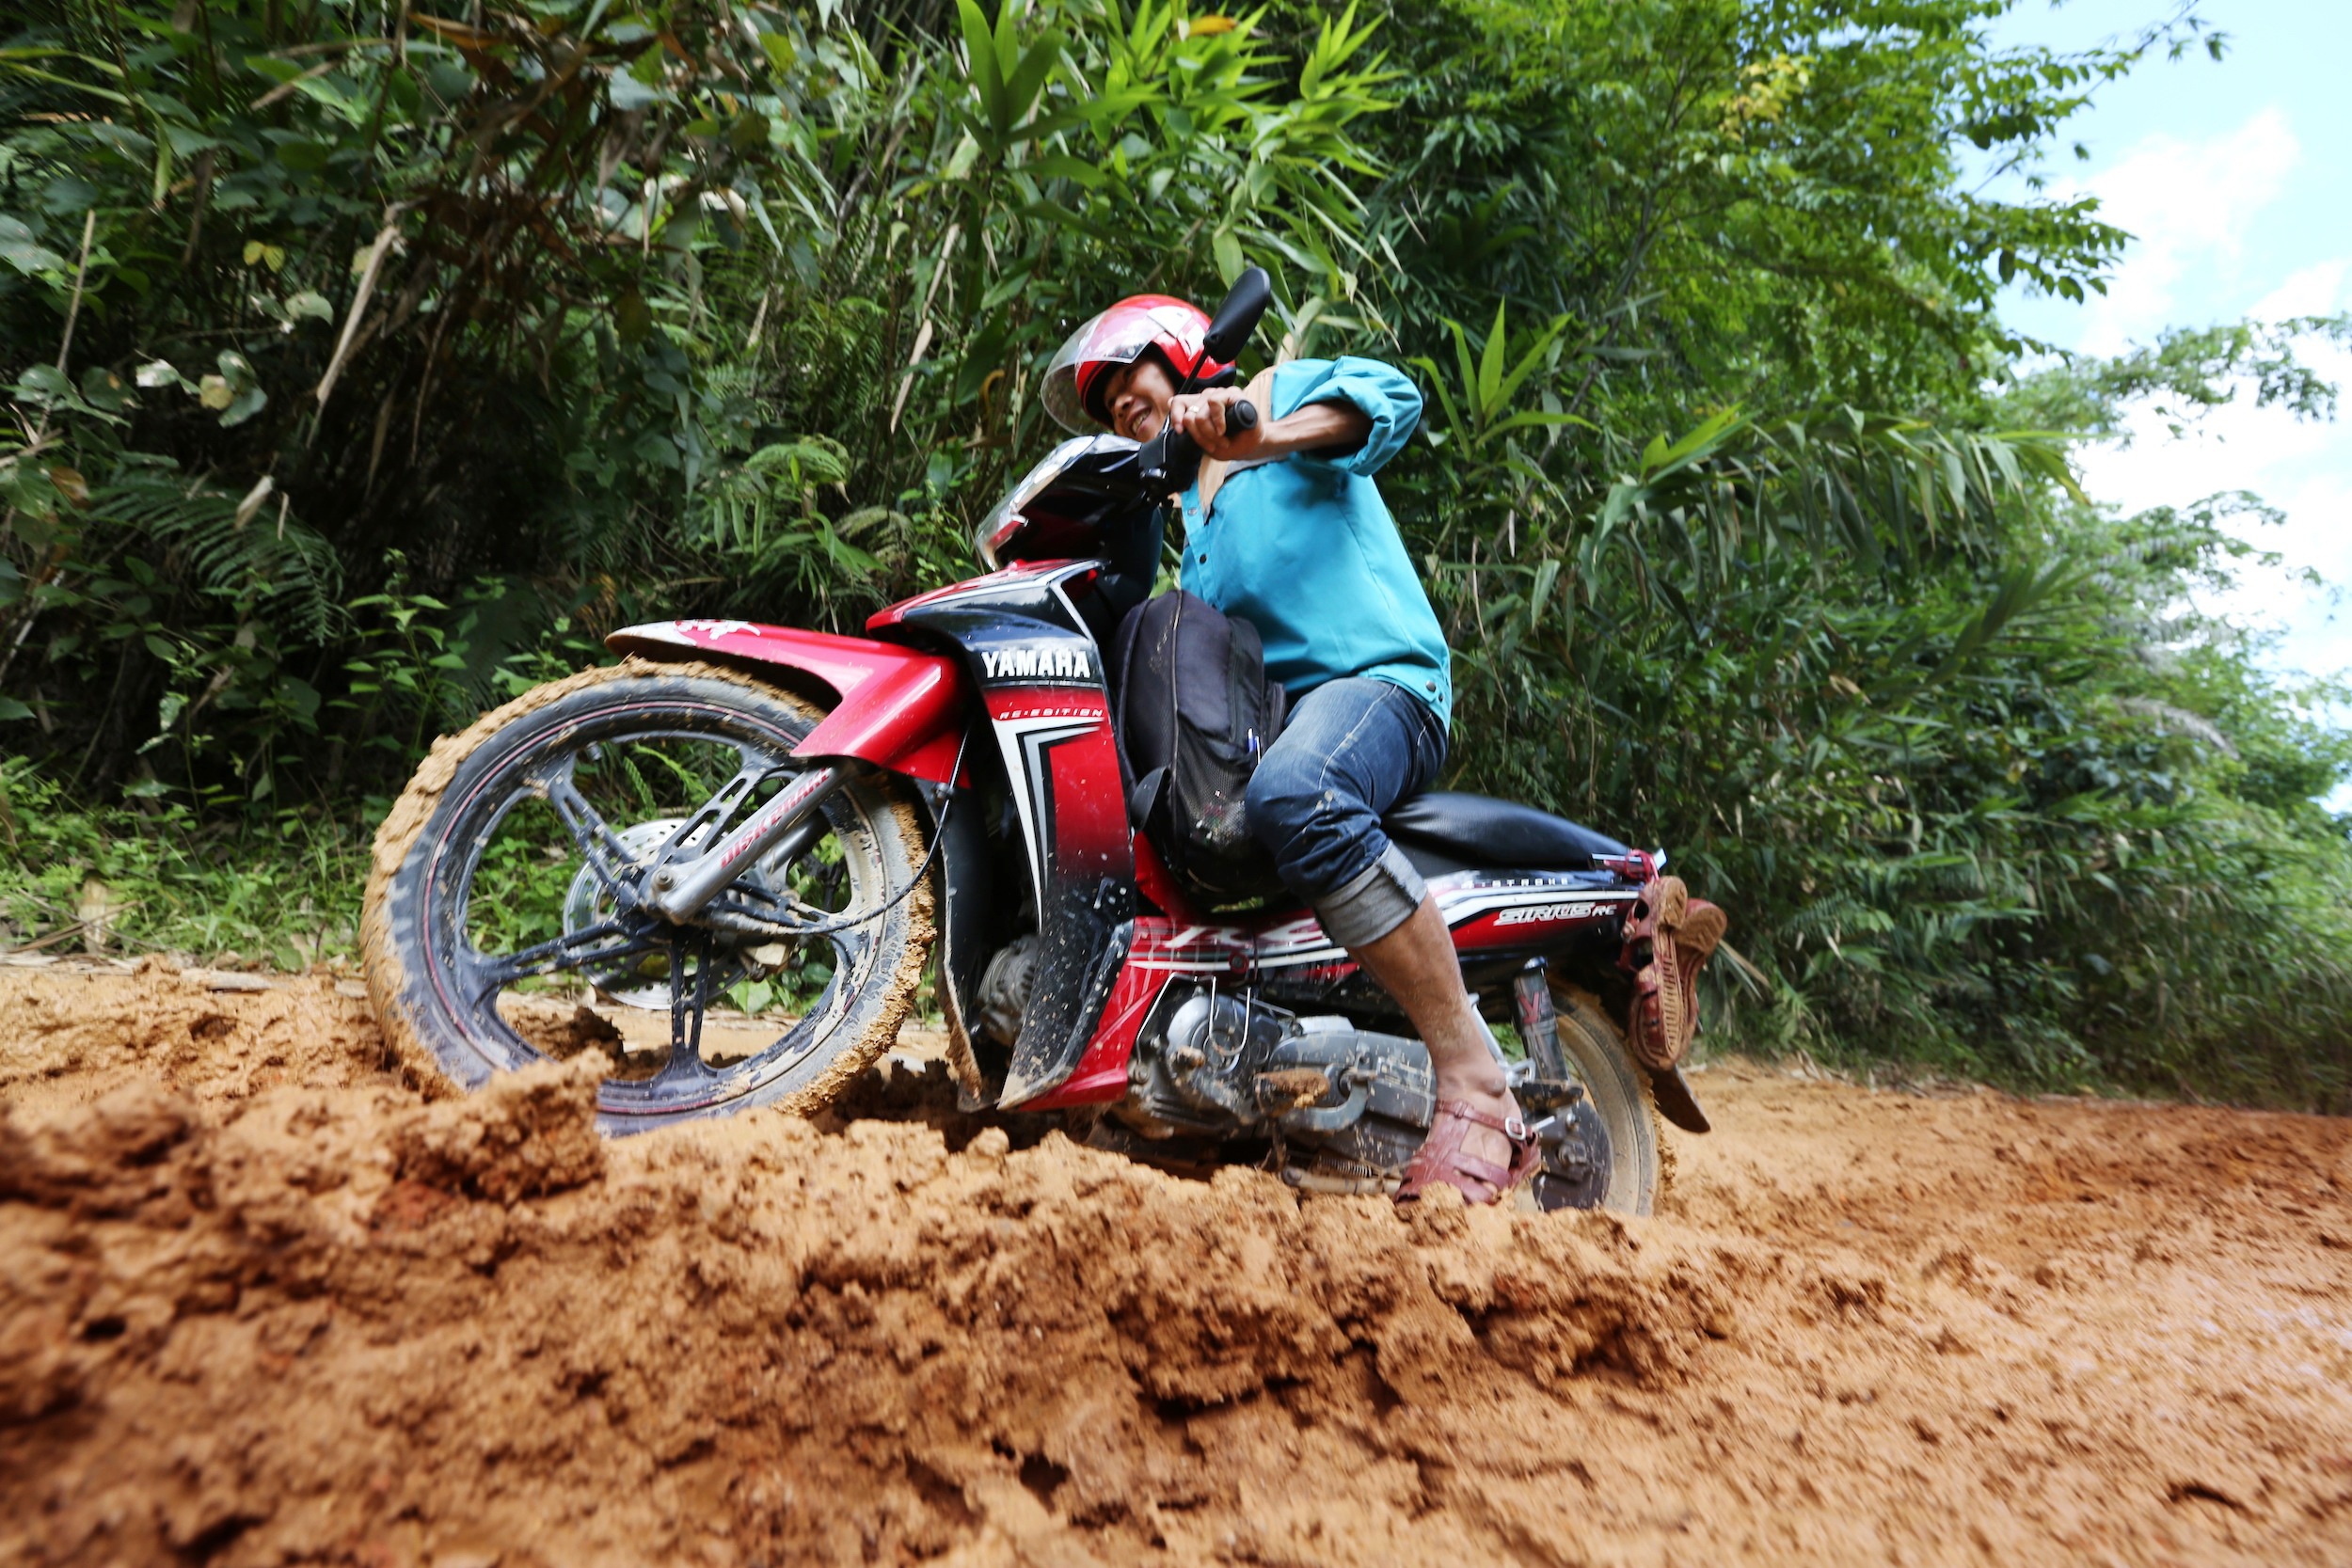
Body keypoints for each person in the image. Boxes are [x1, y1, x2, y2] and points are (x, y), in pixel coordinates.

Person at [1043, 293, 1550, 1204]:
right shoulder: (1189, 522)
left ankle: (1474, 1074)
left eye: (1130, 376)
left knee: (1299, 792)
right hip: (1276, 717)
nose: (1118, 399)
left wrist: (1258, 430)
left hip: (1376, 688)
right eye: (1103, 399)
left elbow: (1390, 400)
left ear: (1185, 356)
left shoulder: (1273, 395)